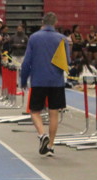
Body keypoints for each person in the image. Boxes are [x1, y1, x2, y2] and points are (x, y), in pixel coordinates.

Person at [20, 12, 70, 157]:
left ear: (42, 22)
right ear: (56, 22)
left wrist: (23, 80)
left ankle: (42, 135)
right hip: (56, 81)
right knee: (54, 113)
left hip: (38, 80)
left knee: (35, 111)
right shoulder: (62, 39)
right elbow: (67, 61)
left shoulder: (34, 38)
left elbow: (27, 61)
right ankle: (51, 146)